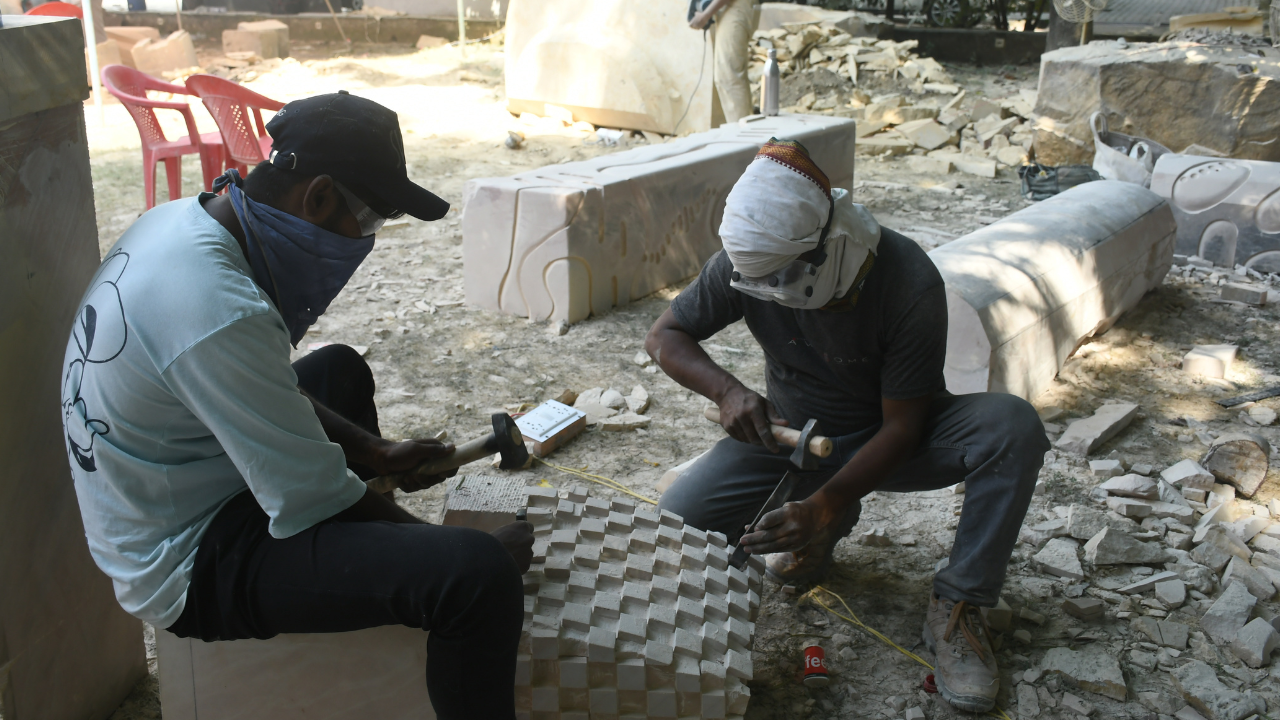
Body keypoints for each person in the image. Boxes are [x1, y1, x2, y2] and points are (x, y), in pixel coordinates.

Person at [60, 92, 532, 720]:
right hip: (188, 557)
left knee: (337, 369)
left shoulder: (179, 222)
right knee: (472, 578)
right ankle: (409, 582)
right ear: (317, 196)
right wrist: (444, 552)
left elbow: (256, 386)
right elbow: (312, 496)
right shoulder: (216, 307)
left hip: (175, 478)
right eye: (368, 220)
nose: (364, 242)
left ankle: (363, 576)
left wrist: (373, 451)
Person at [644, 138, 1049, 713]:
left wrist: (826, 500)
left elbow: (903, 428)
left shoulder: (907, 280)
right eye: (760, 281)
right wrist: (729, 392)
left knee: (1011, 427)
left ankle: (959, 607)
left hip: (897, 439)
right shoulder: (747, 257)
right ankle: (825, 525)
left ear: (824, 242)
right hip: (789, 438)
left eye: (786, 277)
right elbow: (665, 336)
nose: (774, 292)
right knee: (677, 522)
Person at [689, 0, 761, 124]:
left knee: (729, 76)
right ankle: (744, 128)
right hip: (732, 8)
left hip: (736, 7)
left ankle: (741, 135)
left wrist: (705, 14)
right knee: (728, 75)